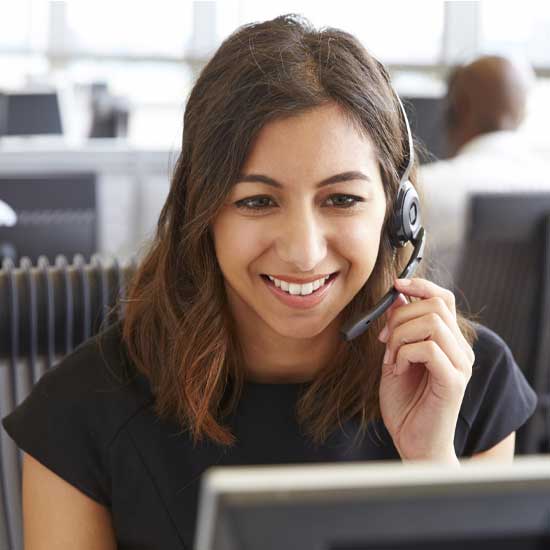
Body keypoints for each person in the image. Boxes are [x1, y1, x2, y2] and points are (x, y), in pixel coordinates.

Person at [2, 16, 537, 550]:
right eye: (257, 201)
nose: (303, 252)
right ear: (203, 213)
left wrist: (432, 468)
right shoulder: (80, 414)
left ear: (400, 214)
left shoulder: (467, 382)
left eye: (342, 199)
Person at [419, 54, 550, 287]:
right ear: (521, 110)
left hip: (449, 322)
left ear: (457, 109)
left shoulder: (424, 189)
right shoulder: (543, 180)